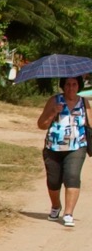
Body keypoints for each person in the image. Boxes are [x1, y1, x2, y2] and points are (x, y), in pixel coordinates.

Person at [37, 75, 88, 227]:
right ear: (63, 86)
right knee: (53, 181)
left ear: (79, 86)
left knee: (72, 176)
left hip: (77, 147)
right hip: (53, 147)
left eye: (74, 84)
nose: (71, 87)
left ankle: (68, 213)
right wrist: (53, 112)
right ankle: (55, 206)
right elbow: (41, 125)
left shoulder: (84, 102)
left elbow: (91, 124)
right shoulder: (54, 101)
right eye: (67, 84)